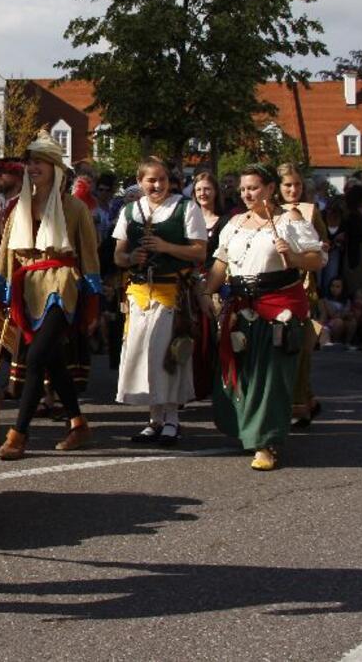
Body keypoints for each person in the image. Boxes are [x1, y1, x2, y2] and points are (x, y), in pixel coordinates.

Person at [0, 128, 102, 460]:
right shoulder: (18, 207)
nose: (33, 168)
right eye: (30, 162)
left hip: (62, 285)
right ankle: (78, 423)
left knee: (35, 358)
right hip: (26, 287)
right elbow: (6, 253)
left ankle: (18, 434)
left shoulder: (74, 208)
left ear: (54, 168)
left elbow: (89, 256)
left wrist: (92, 305)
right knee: (51, 360)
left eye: (40, 163)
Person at [202, 164, 323, 471]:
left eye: (254, 188)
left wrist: (293, 256)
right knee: (244, 374)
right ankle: (249, 431)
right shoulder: (235, 223)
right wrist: (205, 292)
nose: (247, 194)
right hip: (241, 306)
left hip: (278, 307)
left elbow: (317, 258)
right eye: (243, 189)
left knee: (270, 378)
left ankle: (266, 443)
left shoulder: (288, 220)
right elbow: (221, 263)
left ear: (270, 189)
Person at [113, 157, 206, 444]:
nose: (157, 185)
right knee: (143, 358)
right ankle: (154, 420)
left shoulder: (185, 207)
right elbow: (118, 255)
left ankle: (173, 420)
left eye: (162, 179)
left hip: (171, 293)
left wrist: (167, 247)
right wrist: (132, 258)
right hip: (139, 294)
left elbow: (200, 253)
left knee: (168, 357)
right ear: (140, 182)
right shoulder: (130, 211)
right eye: (151, 180)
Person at [278, 162, 329, 428]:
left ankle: (299, 405)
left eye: (297, 185)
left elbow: (323, 247)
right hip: (277, 285)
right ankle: (306, 401)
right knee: (283, 349)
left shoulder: (310, 212)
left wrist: (311, 252)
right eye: (287, 185)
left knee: (301, 349)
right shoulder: (271, 212)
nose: (293, 189)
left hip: (304, 288)